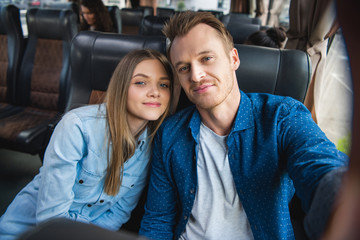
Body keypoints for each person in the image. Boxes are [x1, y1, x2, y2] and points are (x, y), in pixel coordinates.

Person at [138, 11, 348, 239]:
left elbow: (320, 166)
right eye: (184, 68)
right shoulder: (170, 133)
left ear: (233, 59)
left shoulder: (282, 116)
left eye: (206, 58)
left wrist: (344, 202)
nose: (196, 76)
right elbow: (158, 220)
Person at [0, 49, 174, 240]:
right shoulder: (77, 127)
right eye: (141, 82)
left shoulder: (151, 145)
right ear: (121, 87)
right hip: (31, 233)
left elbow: (119, 212)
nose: (155, 92)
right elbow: (51, 218)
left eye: (163, 85)